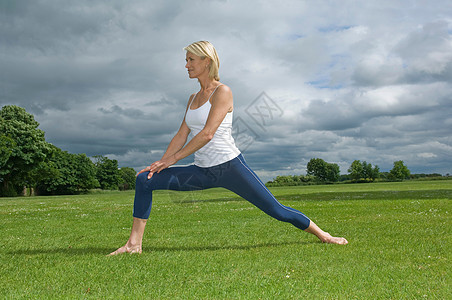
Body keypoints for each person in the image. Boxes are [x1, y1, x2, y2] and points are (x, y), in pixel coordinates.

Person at [109, 41, 348, 255]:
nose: (186, 65)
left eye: (191, 60)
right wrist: (160, 164)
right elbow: (181, 134)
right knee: (145, 180)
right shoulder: (193, 97)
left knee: (277, 210)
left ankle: (324, 235)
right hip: (201, 171)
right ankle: (134, 245)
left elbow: (207, 134)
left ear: (207, 61)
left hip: (230, 167)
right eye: (186, 60)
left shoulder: (223, 92)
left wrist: (172, 160)